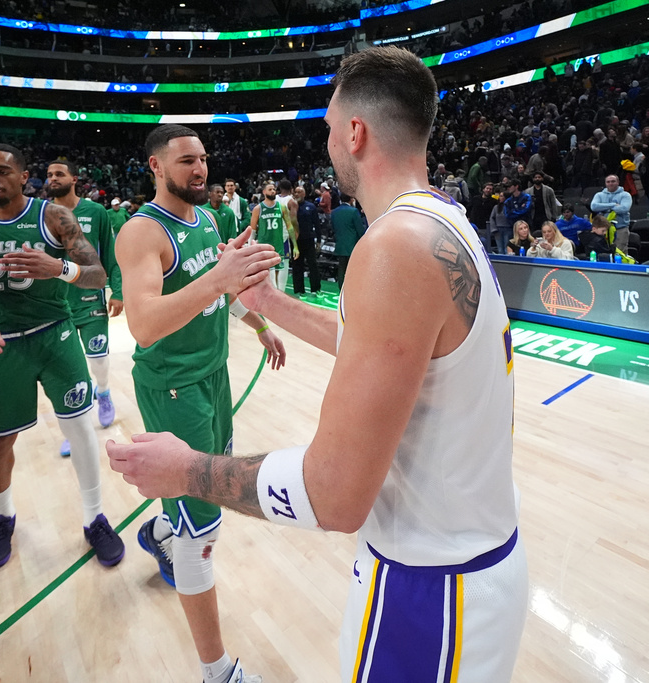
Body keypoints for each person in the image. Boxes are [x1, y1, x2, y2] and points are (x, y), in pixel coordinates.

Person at [109, 47, 527, 683]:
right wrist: (271, 305)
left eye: (330, 128)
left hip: (430, 590)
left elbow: (333, 494)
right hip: (472, 563)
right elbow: (383, 349)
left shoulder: (390, 248)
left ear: (355, 133)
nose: (328, 143)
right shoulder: (445, 222)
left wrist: (188, 471)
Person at [115, 124, 286, 683]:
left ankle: (160, 532)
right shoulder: (142, 233)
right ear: (156, 167)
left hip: (214, 378)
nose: (200, 169)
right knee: (204, 529)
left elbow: (219, 294)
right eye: (187, 160)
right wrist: (218, 278)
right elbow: (142, 325)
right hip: (174, 388)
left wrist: (257, 323)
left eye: (204, 159)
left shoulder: (209, 220)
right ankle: (217, 672)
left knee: (191, 506)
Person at [0, 144, 125, 570]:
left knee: (80, 428)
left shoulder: (52, 217)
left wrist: (58, 268)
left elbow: (97, 273)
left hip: (54, 334)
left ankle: (94, 517)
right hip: (0, 340)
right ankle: (2, 517)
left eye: (1, 171)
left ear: (23, 176)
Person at [45, 159, 122, 456]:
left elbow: (110, 252)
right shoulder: (43, 214)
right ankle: (76, 429)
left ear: (74, 178)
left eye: (59, 174)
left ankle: (102, 392)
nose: (53, 178)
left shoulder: (97, 212)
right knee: (66, 369)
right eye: (49, 174)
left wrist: (118, 289)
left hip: (90, 297)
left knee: (98, 358)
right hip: (55, 301)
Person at [250, 181, 297, 294]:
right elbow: (252, 230)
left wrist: (295, 245)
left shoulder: (282, 207)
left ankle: (279, 296)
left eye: (274, 189)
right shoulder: (258, 208)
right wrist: (249, 246)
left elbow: (290, 227)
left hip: (278, 244)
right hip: (264, 245)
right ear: (264, 192)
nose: (273, 191)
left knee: (279, 274)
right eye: (270, 189)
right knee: (268, 275)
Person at [290, 185, 322, 300]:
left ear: (304, 194)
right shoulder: (290, 206)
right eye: (296, 192)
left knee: (313, 265)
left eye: (300, 192)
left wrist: (318, 241)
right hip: (295, 241)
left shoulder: (311, 207)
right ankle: (299, 290)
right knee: (297, 266)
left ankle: (316, 289)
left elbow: (317, 225)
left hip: (309, 240)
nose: (297, 194)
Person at [590, 174, 633, 256]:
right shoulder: (599, 195)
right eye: (608, 182)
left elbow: (624, 208)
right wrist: (613, 205)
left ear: (618, 182)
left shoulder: (625, 195)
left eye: (613, 181)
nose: (610, 183)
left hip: (620, 229)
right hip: (603, 230)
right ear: (605, 183)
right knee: (604, 253)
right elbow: (594, 206)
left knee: (620, 253)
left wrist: (603, 207)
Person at [330, 193, 366, 289]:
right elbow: (360, 230)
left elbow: (333, 228)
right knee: (353, 269)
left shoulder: (334, 212)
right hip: (353, 245)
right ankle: (352, 290)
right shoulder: (353, 211)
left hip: (340, 244)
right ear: (351, 199)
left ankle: (341, 290)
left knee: (341, 268)